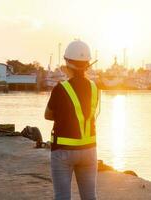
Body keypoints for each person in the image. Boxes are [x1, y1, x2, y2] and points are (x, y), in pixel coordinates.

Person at [45, 40, 99, 200]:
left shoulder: (61, 88)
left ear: (67, 63)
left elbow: (47, 115)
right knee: (90, 197)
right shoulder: (95, 87)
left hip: (63, 151)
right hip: (89, 150)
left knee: (62, 197)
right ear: (87, 64)